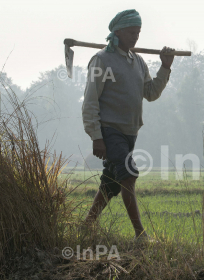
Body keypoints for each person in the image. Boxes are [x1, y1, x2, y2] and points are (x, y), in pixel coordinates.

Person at [81, 9, 175, 241]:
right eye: (132, 32)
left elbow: (151, 93)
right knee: (128, 174)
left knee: (112, 182)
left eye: (138, 32)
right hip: (109, 130)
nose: (136, 37)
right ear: (118, 31)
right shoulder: (101, 60)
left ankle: (86, 226)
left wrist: (165, 67)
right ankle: (140, 234)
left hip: (130, 132)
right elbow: (90, 101)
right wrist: (96, 136)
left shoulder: (138, 61)